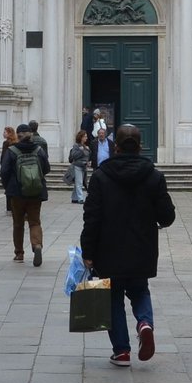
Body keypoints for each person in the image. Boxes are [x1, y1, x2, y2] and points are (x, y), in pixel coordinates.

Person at [80, 123, 176, 368]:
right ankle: (145, 323)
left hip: (107, 250)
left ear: (116, 146)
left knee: (113, 298)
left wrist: (88, 252)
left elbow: (91, 218)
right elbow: (167, 216)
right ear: (140, 146)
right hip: (141, 248)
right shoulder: (154, 176)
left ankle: (122, 351)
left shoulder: (101, 176)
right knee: (140, 290)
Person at [1, 124, 47, 266]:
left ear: (18, 135)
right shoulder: (39, 150)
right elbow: (46, 168)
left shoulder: (12, 151)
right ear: (30, 134)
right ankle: (37, 245)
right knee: (34, 221)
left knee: (18, 223)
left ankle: (19, 253)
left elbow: (4, 171)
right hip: (35, 191)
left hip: (17, 192)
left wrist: (8, 186)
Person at [67, 130, 91, 205]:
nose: (86, 138)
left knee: (78, 182)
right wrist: (81, 151)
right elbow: (74, 156)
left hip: (83, 166)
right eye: (85, 136)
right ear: (81, 137)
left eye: (86, 136)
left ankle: (74, 198)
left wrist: (88, 161)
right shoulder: (76, 146)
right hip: (77, 166)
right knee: (79, 183)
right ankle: (80, 199)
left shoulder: (85, 146)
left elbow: (87, 156)